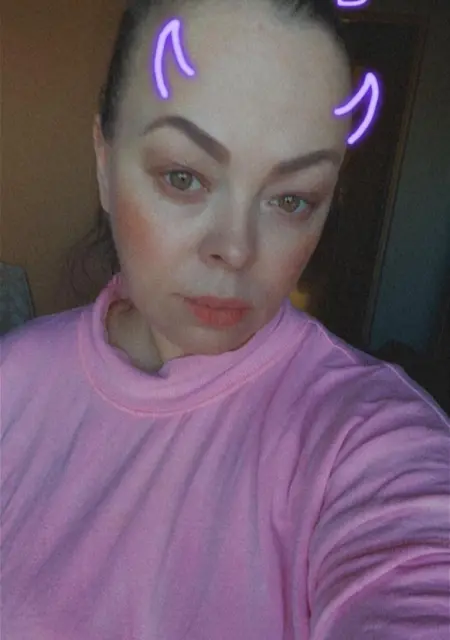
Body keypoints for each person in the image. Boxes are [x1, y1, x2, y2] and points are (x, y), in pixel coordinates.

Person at [1, 1, 449, 638]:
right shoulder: (12, 379)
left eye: (292, 199)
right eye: (184, 177)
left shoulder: (363, 438)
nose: (236, 250)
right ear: (104, 162)